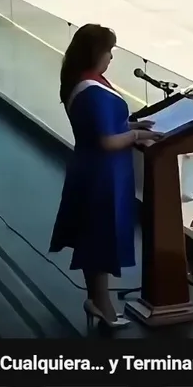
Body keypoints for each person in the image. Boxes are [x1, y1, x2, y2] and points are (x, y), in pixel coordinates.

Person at [51, 24, 161, 330]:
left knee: (94, 236)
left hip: (95, 169)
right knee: (99, 236)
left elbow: (105, 126)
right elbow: (107, 140)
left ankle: (97, 300)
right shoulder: (91, 90)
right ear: (94, 53)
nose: (111, 57)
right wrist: (137, 135)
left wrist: (133, 124)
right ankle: (102, 304)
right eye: (108, 51)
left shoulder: (84, 81)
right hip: (103, 173)